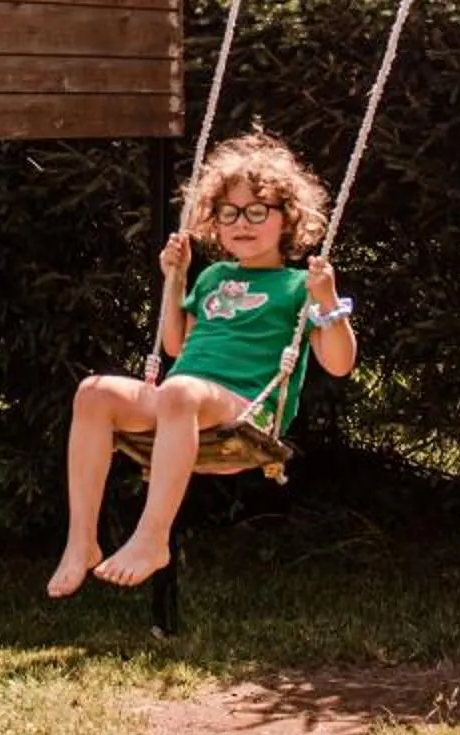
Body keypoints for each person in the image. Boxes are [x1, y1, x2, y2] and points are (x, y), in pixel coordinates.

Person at [48, 131, 356, 595]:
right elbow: (176, 346)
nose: (241, 223)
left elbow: (339, 364)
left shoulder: (297, 286)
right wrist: (174, 280)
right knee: (93, 393)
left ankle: (152, 538)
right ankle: (81, 542)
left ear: (287, 218)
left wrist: (328, 300)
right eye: (228, 213)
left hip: (245, 409)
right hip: (184, 402)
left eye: (257, 211)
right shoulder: (212, 276)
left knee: (180, 390)